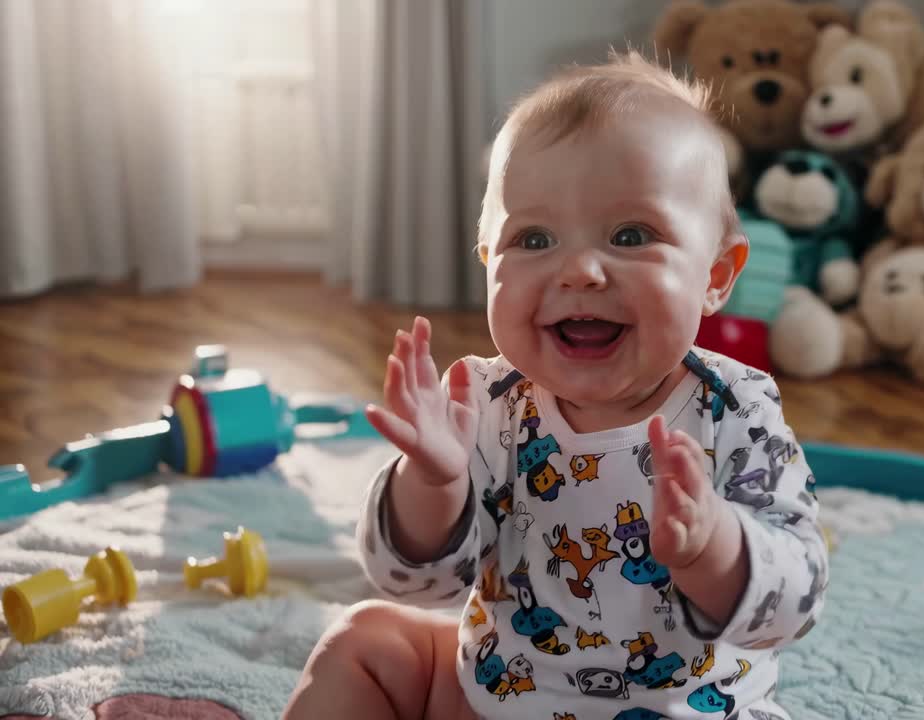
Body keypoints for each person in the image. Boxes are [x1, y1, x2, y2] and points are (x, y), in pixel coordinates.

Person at [284, 51, 828, 720]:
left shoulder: (734, 410)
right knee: (366, 639)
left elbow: (794, 603)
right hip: (494, 697)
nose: (578, 271)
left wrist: (714, 546)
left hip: (678, 709)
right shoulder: (483, 404)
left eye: (631, 234)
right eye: (533, 238)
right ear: (487, 262)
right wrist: (433, 482)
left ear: (716, 274)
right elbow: (417, 585)